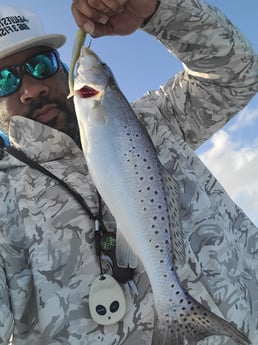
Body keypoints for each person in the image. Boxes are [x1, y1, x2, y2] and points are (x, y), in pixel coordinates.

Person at [0, 0, 257, 344]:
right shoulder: (5, 197)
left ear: (63, 66)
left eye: (41, 64)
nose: (32, 89)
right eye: (3, 79)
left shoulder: (153, 120)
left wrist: (159, 11)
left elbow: (236, 76)